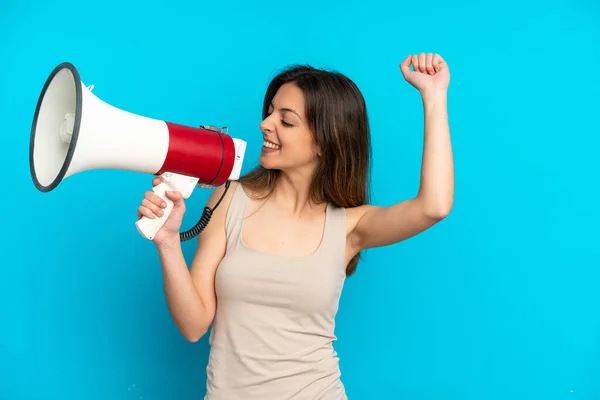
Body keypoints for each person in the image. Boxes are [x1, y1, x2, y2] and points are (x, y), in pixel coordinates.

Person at [137, 52, 454, 399]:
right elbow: (193, 325)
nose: (265, 124)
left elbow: (434, 207)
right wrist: (167, 241)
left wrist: (434, 95)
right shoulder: (229, 199)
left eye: (286, 121)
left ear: (323, 141)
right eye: (270, 111)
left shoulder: (350, 226)